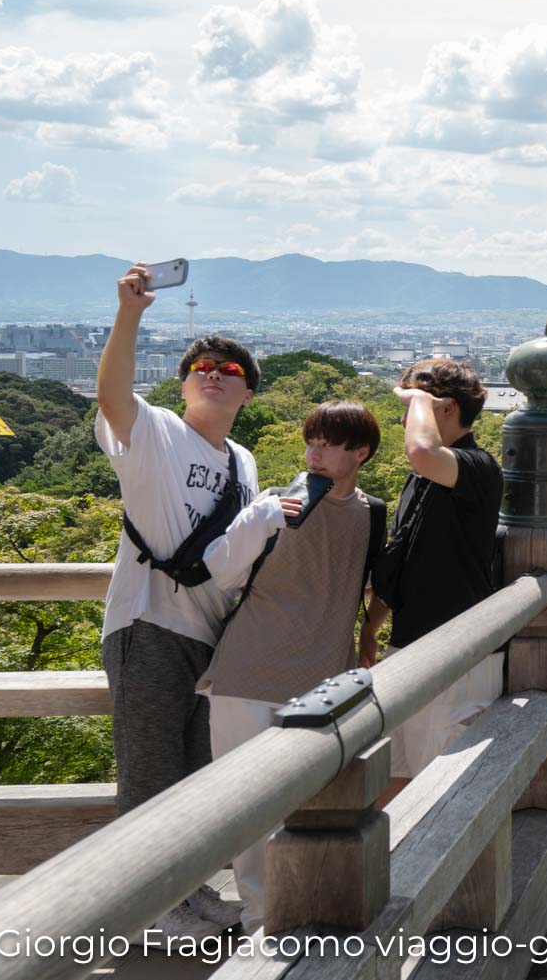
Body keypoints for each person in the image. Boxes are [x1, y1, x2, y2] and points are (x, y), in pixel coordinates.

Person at [93, 263, 261, 938]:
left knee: (193, 776)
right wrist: (129, 314)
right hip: (149, 623)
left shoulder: (243, 462)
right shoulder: (156, 431)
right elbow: (111, 396)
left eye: (227, 367)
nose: (212, 370)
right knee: (150, 772)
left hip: (210, 635)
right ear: (183, 381)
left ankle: (186, 892)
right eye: (200, 364)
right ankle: (147, 911)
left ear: (249, 391)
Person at [198, 401, 385, 935]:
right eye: (311, 442)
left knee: (316, 808)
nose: (314, 452)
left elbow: (368, 583)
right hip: (249, 672)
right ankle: (261, 925)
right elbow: (221, 571)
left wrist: (370, 633)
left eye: (327, 444)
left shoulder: (371, 512)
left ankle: (313, 918)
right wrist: (262, 518)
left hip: (323, 680)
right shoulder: (273, 505)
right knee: (248, 810)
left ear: (361, 452)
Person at [364, 360, 503, 781]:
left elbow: (423, 451)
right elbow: (405, 557)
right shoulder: (422, 479)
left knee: (440, 786)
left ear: (445, 409)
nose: (405, 418)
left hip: (457, 656)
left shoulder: (479, 467)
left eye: (412, 408)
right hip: (408, 648)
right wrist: (370, 631)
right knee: (398, 778)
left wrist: (419, 397)